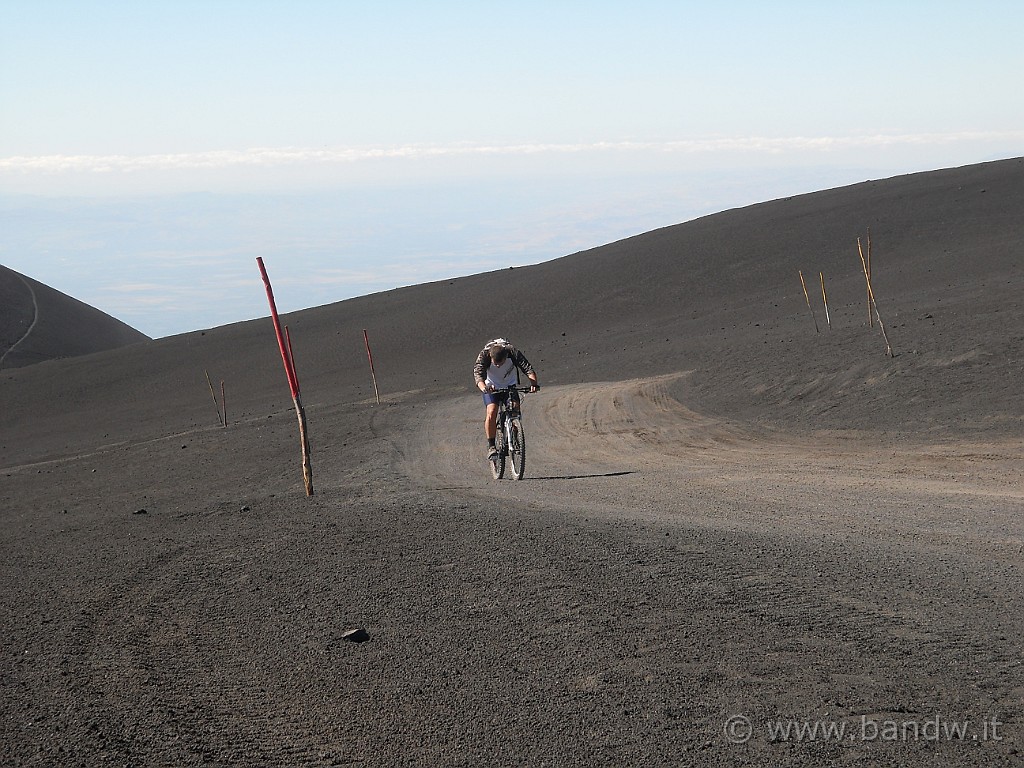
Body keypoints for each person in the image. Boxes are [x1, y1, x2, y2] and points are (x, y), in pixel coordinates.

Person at [474, 338, 540, 461]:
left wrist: (534, 384)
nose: (498, 365)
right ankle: (492, 446)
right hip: (491, 387)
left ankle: (515, 434)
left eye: (501, 363)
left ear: (506, 356)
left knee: (515, 408)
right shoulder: (484, 355)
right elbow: (478, 375)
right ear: (490, 356)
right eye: (495, 363)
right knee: (492, 411)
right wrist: (484, 388)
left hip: (510, 385)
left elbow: (527, 367)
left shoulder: (512, 352)